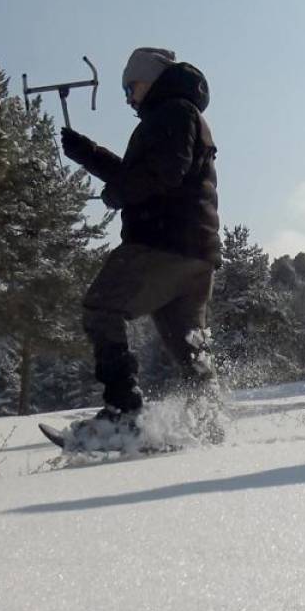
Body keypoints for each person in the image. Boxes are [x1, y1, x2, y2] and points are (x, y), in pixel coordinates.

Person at [57, 47, 223, 443]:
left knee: (101, 308)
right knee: (188, 346)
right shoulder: (181, 116)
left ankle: (123, 411)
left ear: (149, 80)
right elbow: (147, 173)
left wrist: (118, 194)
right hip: (196, 253)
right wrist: (88, 154)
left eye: (130, 87)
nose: (129, 97)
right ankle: (210, 425)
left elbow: (164, 174)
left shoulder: (173, 112)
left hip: (160, 243)